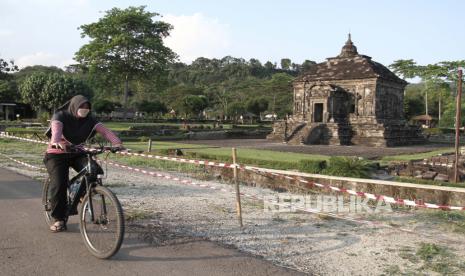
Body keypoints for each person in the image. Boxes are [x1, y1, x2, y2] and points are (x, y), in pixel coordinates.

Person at [44, 95, 123, 232]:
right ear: (74, 106)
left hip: (77, 152)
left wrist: (117, 143)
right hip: (56, 154)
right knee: (59, 184)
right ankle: (59, 219)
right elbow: (56, 129)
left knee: (94, 170)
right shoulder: (61, 115)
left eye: (87, 107)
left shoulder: (90, 120)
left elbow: (104, 131)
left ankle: (79, 194)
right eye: (81, 107)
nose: (85, 109)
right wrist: (56, 141)